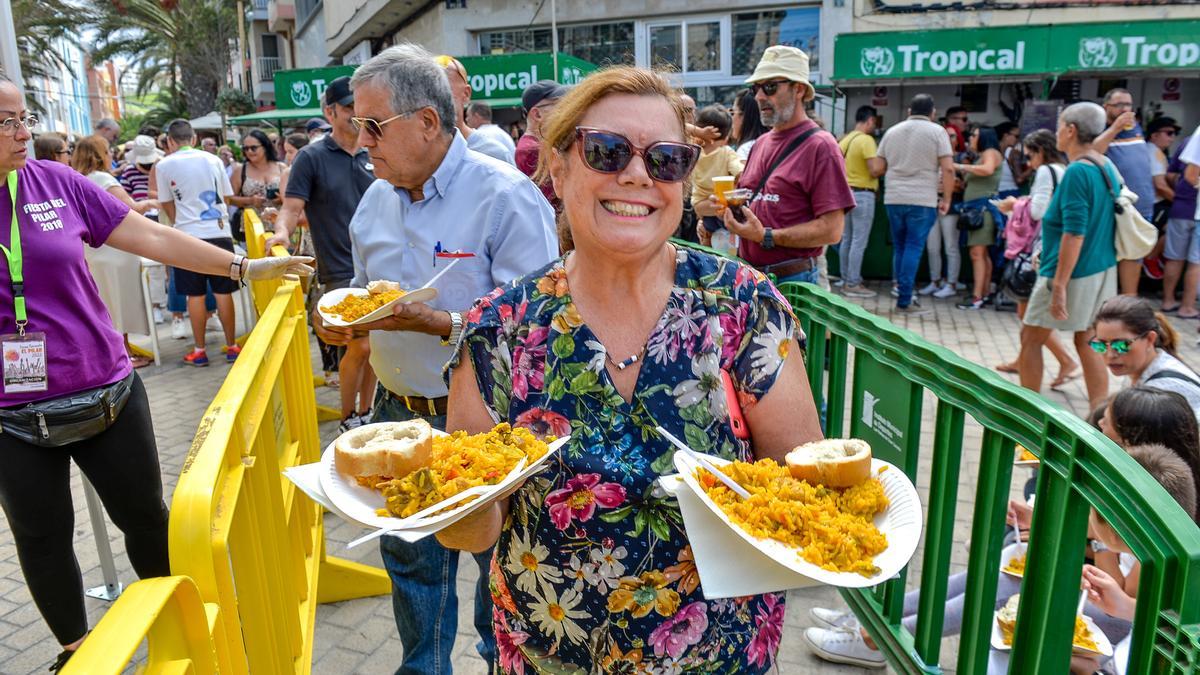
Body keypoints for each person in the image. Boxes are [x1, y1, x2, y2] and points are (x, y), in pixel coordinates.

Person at [436, 64, 822, 674]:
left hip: (719, 654)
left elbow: (804, 491)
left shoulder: (743, 306)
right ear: (558, 168)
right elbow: (476, 531)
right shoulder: (498, 327)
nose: (637, 174)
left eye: (666, 159)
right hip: (551, 656)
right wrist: (446, 507)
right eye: (607, 151)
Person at [0, 75, 311, 671]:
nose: (24, 133)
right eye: (6, 122)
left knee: (146, 518)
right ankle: (75, 651)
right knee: (40, 539)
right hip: (14, 415)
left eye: (24, 118)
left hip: (107, 391)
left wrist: (245, 267)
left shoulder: (57, 183)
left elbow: (149, 235)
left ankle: (185, 625)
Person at [312, 44, 558, 674]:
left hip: (482, 418)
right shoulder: (375, 200)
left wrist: (439, 322)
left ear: (426, 121)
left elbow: (538, 330)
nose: (358, 138)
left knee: (497, 566)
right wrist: (343, 325)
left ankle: (499, 660)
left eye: (372, 125)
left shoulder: (504, 197)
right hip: (397, 415)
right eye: (352, 122)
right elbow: (362, 297)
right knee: (411, 564)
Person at [264, 75, 379, 432]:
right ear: (329, 112)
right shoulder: (311, 157)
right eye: (347, 108)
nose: (354, 116)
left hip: (380, 266)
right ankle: (348, 416)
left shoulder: (376, 151)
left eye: (359, 109)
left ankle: (367, 409)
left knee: (376, 345)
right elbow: (291, 206)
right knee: (358, 345)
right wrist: (280, 232)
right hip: (339, 268)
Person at [717, 45, 852, 287]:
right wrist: (732, 213)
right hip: (754, 278)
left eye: (770, 87)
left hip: (794, 282)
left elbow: (832, 230)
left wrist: (766, 237)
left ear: (798, 89)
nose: (759, 97)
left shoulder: (821, 146)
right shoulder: (760, 143)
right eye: (755, 88)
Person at [1018, 102, 1118, 410]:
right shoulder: (1104, 165)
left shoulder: (1076, 172)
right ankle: (1100, 414)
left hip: (1070, 272)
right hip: (1101, 269)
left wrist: (1058, 285)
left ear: (1071, 130)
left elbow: (1075, 233)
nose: (1057, 132)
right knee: (1087, 339)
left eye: (1061, 125)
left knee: (1030, 337)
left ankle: (1029, 413)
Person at [994, 129, 1078, 387]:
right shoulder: (1066, 170)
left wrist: (1014, 205)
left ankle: (1064, 362)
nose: (1028, 163)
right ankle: (1026, 361)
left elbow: (1040, 209)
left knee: (1031, 318)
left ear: (1040, 151)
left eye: (1029, 156)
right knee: (1027, 313)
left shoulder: (1045, 171)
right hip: (1053, 248)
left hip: (1041, 249)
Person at [154, 119, 242, 366]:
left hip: (187, 235)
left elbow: (166, 202)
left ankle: (200, 350)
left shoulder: (164, 164)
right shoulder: (213, 159)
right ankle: (232, 345)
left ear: (170, 141)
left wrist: (179, 223)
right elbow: (225, 196)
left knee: (195, 294)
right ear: (193, 138)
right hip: (219, 231)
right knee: (224, 291)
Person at [876, 94, 955, 314]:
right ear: (933, 113)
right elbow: (948, 169)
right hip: (922, 199)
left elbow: (878, 167)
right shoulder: (938, 132)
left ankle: (900, 289)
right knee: (912, 247)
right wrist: (947, 198)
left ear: (909, 111)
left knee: (900, 247)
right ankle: (904, 300)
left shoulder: (892, 131)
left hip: (894, 197)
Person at [1091, 295, 1200, 420]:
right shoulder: (1143, 367)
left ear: (1149, 339)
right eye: (1100, 345)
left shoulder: (1160, 392)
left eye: (1121, 345)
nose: (1110, 355)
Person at [1095, 88, 1156, 295]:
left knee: (1135, 252)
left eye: (1128, 105)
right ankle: (1106, 302)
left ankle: (1129, 301)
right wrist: (1114, 128)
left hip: (1141, 202)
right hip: (1116, 204)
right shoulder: (1099, 127)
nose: (1125, 109)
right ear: (1106, 107)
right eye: (1119, 105)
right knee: (1110, 252)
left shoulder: (1135, 127)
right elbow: (1093, 152)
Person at [836, 105, 884, 298]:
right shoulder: (866, 140)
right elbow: (874, 170)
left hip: (845, 195)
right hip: (863, 194)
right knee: (858, 241)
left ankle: (845, 278)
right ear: (870, 120)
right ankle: (853, 283)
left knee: (847, 239)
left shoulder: (845, 140)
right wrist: (885, 165)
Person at [954, 126, 1004, 310]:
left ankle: (977, 297)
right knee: (981, 254)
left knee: (977, 254)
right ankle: (983, 293)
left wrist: (960, 166)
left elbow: (988, 169)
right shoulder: (981, 155)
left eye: (974, 135)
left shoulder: (990, 152)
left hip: (983, 210)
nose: (971, 138)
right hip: (976, 209)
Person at [436, 54, 515, 165]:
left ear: (466, 94)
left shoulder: (494, 153)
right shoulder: (417, 156)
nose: (435, 101)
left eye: (444, 91)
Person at [690, 104, 743, 250]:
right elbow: (741, 173)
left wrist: (698, 132)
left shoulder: (694, 152)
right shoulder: (726, 153)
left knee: (708, 247)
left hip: (701, 211)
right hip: (723, 213)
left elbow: (680, 127)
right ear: (727, 135)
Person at [1164, 129, 1200, 317]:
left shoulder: (1187, 141)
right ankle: (1187, 306)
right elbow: (1191, 175)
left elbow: (1170, 174)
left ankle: (1168, 300)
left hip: (1180, 207)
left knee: (1174, 258)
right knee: (1196, 263)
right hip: (1196, 210)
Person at [516, 79, 567, 208]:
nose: (566, 109)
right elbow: (556, 201)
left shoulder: (534, 145)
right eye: (558, 104)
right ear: (537, 114)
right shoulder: (531, 150)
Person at [229, 129, 286, 217]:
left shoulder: (282, 168)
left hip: (280, 223)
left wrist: (282, 198)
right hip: (252, 226)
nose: (249, 152)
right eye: (245, 148)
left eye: (253, 148)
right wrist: (250, 200)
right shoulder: (240, 170)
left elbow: (294, 195)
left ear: (265, 147)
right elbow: (229, 198)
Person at [731, 87, 770, 161]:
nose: (731, 118)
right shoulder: (770, 143)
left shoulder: (745, 150)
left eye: (733, 113)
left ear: (744, 116)